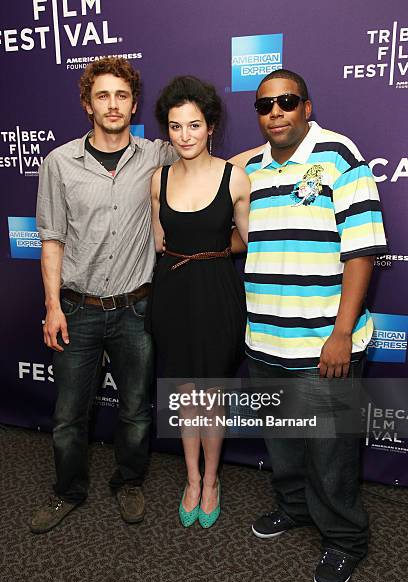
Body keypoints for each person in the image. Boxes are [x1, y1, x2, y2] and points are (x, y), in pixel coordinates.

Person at [230, 69, 387, 582]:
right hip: (266, 339)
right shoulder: (252, 167)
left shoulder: (339, 156)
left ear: (307, 106)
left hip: (324, 341)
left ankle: (345, 539)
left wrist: (341, 333)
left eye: (287, 102)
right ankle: (294, 507)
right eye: (265, 105)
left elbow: (361, 250)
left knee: (331, 451)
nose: (275, 112)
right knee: (284, 441)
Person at [31, 57, 177, 534]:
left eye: (121, 95)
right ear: (87, 104)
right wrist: (53, 307)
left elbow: (212, 164)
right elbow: (51, 238)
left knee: (136, 409)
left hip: (137, 307)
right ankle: (68, 491)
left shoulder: (157, 155)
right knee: (68, 415)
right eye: (103, 96)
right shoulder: (59, 163)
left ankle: (129, 481)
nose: (113, 105)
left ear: (134, 103)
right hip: (78, 307)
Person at [148, 76, 250, 528]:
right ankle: (190, 478)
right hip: (172, 293)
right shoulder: (159, 178)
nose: (184, 136)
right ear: (166, 130)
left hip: (217, 294)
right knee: (186, 395)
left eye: (194, 125)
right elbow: (159, 242)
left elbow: (246, 241)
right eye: (175, 127)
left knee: (213, 395)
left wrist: (209, 252)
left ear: (210, 126)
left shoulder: (235, 177)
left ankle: (212, 481)